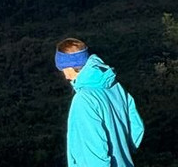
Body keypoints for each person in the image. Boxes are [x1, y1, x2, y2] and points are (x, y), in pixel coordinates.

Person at [55, 37, 144, 167]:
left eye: (62, 68)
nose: (64, 75)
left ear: (69, 67)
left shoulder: (83, 100)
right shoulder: (114, 86)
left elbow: (93, 151)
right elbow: (136, 128)